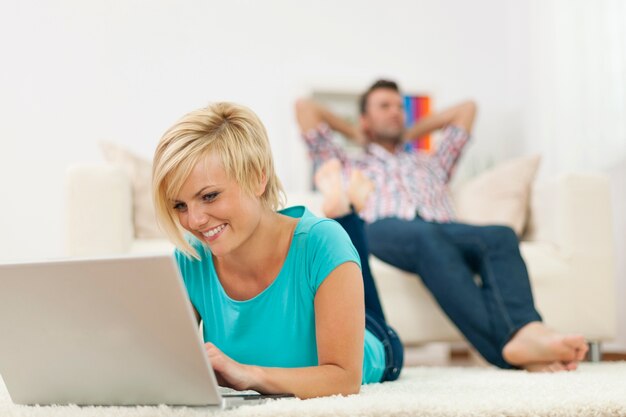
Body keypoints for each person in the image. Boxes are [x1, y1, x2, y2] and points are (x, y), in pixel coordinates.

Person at [296, 79, 589, 372]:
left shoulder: (430, 163)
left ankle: (525, 331)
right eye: (384, 107)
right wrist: (357, 133)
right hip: (386, 229)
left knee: (500, 235)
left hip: (443, 230)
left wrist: (412, 132)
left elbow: (467, 109)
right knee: (425, 237)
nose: (395, 112)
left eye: (399, 107)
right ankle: (507, 349)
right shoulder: (350, 164)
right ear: (365, 118)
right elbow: (304, 109)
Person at [151, 102, 403, 400]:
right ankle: (347, 206)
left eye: (209, 196)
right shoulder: (189, 260)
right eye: (180, 205)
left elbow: (345, 378)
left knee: (349, 265)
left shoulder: (322, 242)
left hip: (375, 340)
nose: (194, 221)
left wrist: (251, 375)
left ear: (259, 177)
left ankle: (348, 213)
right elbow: (164, 368)